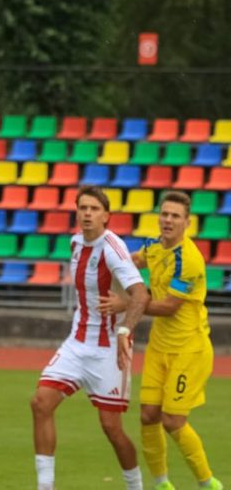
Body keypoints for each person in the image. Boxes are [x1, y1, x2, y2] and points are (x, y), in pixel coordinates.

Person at [101, 191, 223, 490]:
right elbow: (130, 263)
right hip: (159, 345)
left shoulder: (189, 260)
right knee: (148, 416)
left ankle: (208, 483)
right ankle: (161, 484)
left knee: (172, 420)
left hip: (189, 349)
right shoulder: (153, 247)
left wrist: (125, 304)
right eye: (165, 214)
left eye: (175, 216)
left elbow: (169, 307)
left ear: (187, 222)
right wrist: (104, 263)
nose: (168, 220)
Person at [30, 186, 149, 490]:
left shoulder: (112, 248)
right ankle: (45, 486)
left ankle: (135, 486)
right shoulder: (75, 243)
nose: (87, 213)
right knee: (41, 403)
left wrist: (124, 329)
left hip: (109, 350)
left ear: (106, 216)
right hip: (77, 343)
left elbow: (140, 294)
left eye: (94, 209)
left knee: (111, 428)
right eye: (83, 208)